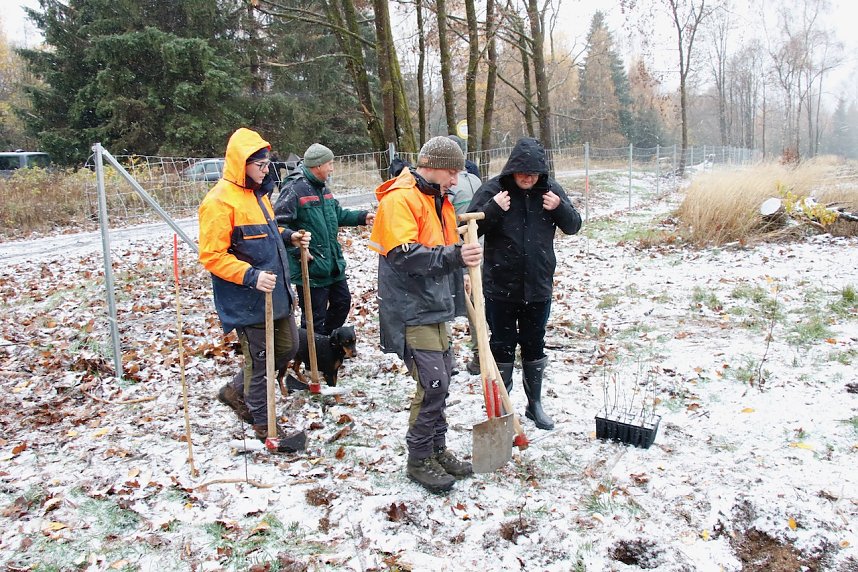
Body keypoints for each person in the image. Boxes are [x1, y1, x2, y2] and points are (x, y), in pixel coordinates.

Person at [368, 136, 482, 493]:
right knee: (434, 382)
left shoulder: (438, 199)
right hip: (409, 307)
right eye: (452, 172)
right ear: (431, 165)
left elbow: (444, 247)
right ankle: (418, 458)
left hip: (434, 302)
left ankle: (437, 448)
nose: (455, 180)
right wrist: (456, 258)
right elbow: (405, 256)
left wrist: (458, 276)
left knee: (444, 375)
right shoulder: (400, 200)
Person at [199, 127, 310, 453]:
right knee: (261, 363)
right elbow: (212, 255)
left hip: (276, 294)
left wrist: (290, 237)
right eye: (260, 165)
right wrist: (249, 275)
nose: (266, 170)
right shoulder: (218, 202)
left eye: (267, 164)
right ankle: (266, 428)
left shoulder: (258, 195)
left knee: (288, 347)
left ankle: (236, 390)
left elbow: (269, 232)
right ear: (241, 163)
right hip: (248, 299)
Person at [467, 137, 582, 430]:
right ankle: (501, 411)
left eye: (533, 172)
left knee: (534, 344)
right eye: (522, 172)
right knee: (501, 346)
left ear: (541, 172)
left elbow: (573, 226)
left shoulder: (551, 190)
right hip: (500, 288)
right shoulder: (494, 190)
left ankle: (535, 405)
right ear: (512, 169)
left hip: (538, 287)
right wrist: (492, 209)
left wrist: (559, 208)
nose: (527, 177)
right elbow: (466, 229)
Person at [274, 143, 374, 336]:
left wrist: (361, 217)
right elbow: (278, 226)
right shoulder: (294, 189)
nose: (332, 168)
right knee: (313, 317)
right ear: (318, 166)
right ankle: (313, 357)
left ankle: (325, 344)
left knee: (342, 303)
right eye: (330, 164)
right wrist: (299, 252)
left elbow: (336, 213)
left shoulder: (322, 188)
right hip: (311, 266)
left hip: (332, 262)